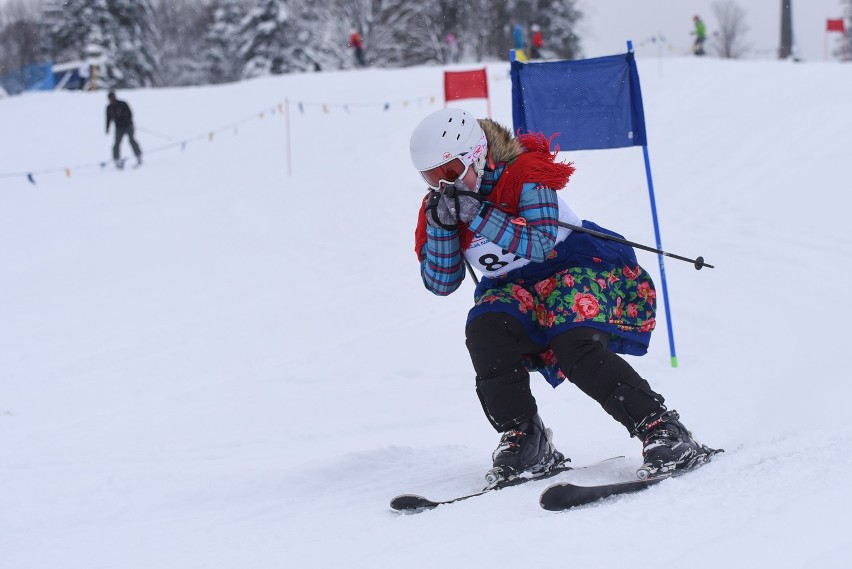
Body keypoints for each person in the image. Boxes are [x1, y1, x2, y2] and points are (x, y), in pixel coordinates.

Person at [410, 108, 717, 485]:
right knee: (485, 328)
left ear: (475, 154)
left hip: (571, 269)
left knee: (574, 344)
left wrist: (478, 215)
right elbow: (441, 283)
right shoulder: (442, 207)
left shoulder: (524, 174)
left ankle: (662, 429)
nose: (444, 186)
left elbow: (539, 243)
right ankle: (526, 437)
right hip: (514, 288)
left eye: (450, 173)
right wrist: (442, 228)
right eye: (431, 177)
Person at [105, 91, 142, 169]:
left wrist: (123, 116)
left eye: (112, 97)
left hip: (128, 126)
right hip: (119, 128)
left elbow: (130, 113)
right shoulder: (109, 108)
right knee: (116, 144)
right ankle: (116, 159)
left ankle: (138, 155)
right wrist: (107, 128)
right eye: (110, 98)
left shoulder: (122, 103)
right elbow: (108, 118)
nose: (111, 99)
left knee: (131, 140)